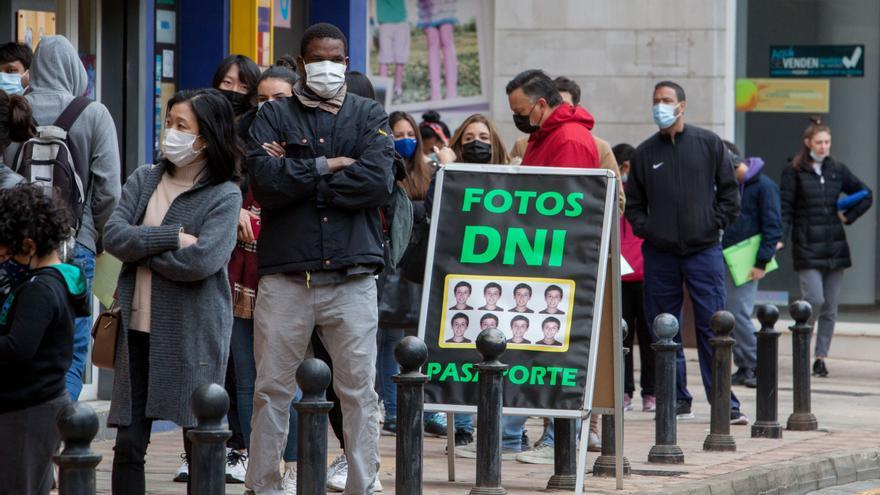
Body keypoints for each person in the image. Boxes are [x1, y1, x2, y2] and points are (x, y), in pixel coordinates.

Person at [246, 23, 394, 495]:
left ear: (346, 63)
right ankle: (263, 485)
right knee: (271, 389)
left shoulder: (369, 114)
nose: (327, 67)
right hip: (287, 276)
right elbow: (265, 184)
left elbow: (377, 183)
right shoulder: (273, 115)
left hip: (352, 276)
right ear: (301, 63)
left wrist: (300, 177)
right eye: (317, 59)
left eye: (335, 59)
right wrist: (328, 165)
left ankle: (362, 484)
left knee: (359, 391)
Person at [103, 89, 242, 495]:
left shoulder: (224, 193)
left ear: (207, 138)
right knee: (128, 443)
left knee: (199, 439)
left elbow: (202, 260)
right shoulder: (145, 178)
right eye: (169, 123)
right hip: (136, 330)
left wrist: (142, 251)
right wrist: (172, 238)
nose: (171, 133)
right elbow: (114, 236)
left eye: (182, 126)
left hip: (193, 331)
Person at [625, 80, 745, 424]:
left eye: (666, 100)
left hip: (703, 251)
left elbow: (730, 194)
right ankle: (676, 399)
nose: (660, 106)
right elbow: (634, 206)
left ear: (682, 105)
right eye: (656, 100)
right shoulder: (644, 153)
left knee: (714, 326)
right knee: (664, 329)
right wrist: (650, 230)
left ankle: (724, 403)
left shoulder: (708, 144)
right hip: (660, 254)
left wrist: (714, 224)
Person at [506, 71, 610, 464]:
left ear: (540, 104)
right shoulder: (547, 134)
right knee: (533, 350)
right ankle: (517, 437)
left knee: (556, 353)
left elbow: (564, 207)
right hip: (541, 256)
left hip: (557, 262)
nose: (518, 118)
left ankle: (558, 441)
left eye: (520, 110)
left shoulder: (568, 139)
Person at [13, 35, 121, 402]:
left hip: (15, 249)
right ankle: (61, 430)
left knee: (17, 343)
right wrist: (97, 238)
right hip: (75, 249)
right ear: (75, 69)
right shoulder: (93, 114)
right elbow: (109, 192)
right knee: (69, 353)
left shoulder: (15, 110)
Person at [220, 65, 301, 489]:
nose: (270, 107)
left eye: (280, 98)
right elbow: (218, 186)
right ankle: (258, 465)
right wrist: (232, 206)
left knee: (289, 380)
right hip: (240, 277)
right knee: (246, 379)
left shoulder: (309, 144)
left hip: (289, 276)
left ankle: (294, 465)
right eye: (263, 99)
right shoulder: (241, 143)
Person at [0, 184, 88, 495]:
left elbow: (17, 348)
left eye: (8, 253)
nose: (5, 260)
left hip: (28, 408)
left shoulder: (40, 290)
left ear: (29, 245)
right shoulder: (57, 281)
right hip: (35, 404)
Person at [376, 109, 447, 448]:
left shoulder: (429, 171)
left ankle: (425, 408)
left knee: (422, 340)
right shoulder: (382, 170)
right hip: (391, 267)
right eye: (397, 134)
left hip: (421, 268)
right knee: (390, 340)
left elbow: (438, 210)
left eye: (409, 135)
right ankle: (392, 410)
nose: (404, 140)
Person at [779, 118, 872, 378]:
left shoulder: (836, 169)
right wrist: (780, 237)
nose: (823, 146)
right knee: (814, 301)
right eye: (819, 142)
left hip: (835, 247)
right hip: (807, 245)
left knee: (830, 307)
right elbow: (785, 208)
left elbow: (866, 193)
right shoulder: (794, 170)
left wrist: (848, 216)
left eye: (827, 142)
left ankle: (820, 358)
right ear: (808, 142)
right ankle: (802, 346)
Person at [208, 53, 261, 484]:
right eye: (227, 83)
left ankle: (242, 446)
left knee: (243, 363)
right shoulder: (204, 130)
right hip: (212, 254)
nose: (234, 92)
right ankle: (209, 443)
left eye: (243, 86)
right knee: (214, 358)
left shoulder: (260, 133)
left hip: (249, 263)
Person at [721, 141, 782, 388]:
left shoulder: (764, 186)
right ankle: (744, 365)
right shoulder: (730, 186)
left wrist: (761, 262)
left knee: (739, 312)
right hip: (727, 257)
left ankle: (757, 364)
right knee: (729, 312)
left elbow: (773, 226)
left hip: (748, 260)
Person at [613, 142, 656, 412]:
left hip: (644, 273)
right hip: (623, 274)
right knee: (625, 338)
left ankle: (643, 392)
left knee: (646, 336)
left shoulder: (646, 192)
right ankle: (630, 391)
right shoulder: (610, 193)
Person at [416, 0, 458, 100]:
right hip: (427, 5)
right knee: (432, 42)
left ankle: (452, 91)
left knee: (446, 38)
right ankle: (435, 92)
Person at [376, 0, 410, 98]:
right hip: (399, 21)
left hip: (386, 22)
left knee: (384, 59)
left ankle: (383, 90)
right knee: (399, 58)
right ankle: (397, 89)